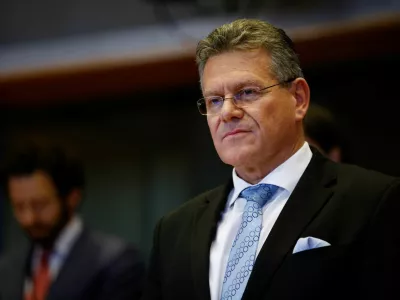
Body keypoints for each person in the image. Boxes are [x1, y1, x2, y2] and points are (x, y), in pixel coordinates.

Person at [142, 19, 400, 300]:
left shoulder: (374, 201)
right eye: (215, 100)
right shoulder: (174, 230)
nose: (228, 112)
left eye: (247, 92)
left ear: (299, 98)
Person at [0, 144, 145, 300]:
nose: (29, 219)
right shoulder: (8, 267)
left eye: (40, 205)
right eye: (19, 207)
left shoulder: (116, 263)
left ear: (72, 198)